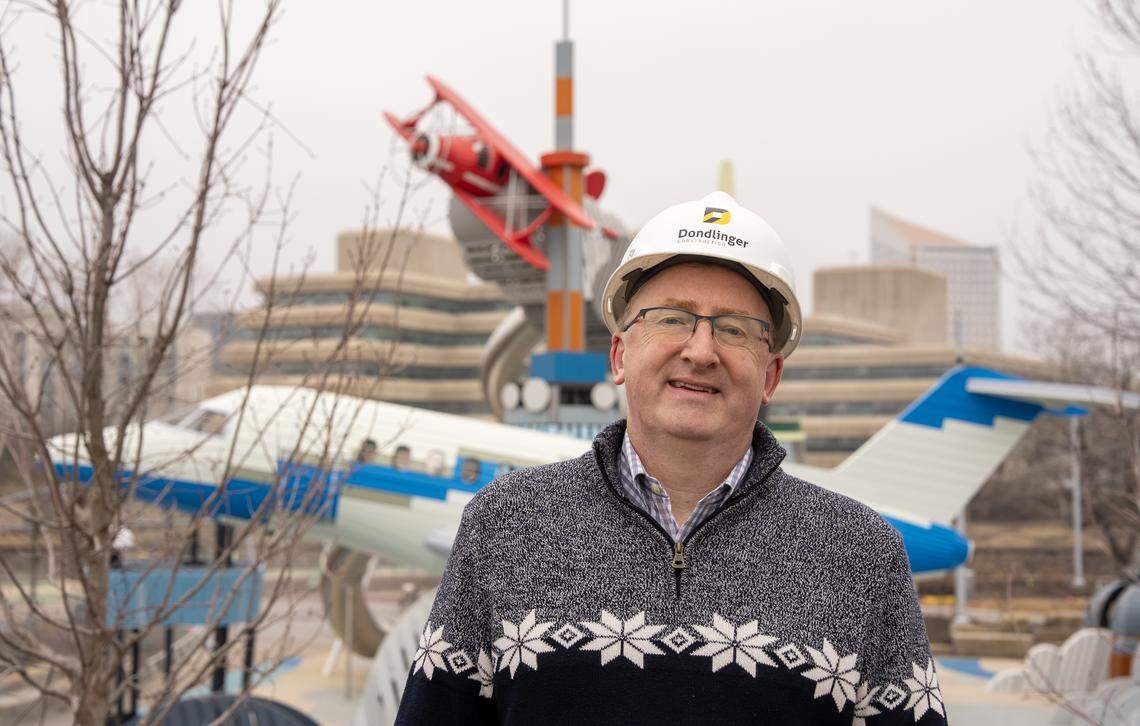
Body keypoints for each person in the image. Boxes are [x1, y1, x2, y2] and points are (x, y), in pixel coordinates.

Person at [395, 192, 948, 725]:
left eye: (735, 328)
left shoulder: (862, 556)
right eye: (671, 318)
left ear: (771, 375)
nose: (701, 351)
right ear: (619, 355)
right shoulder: (504, 525)